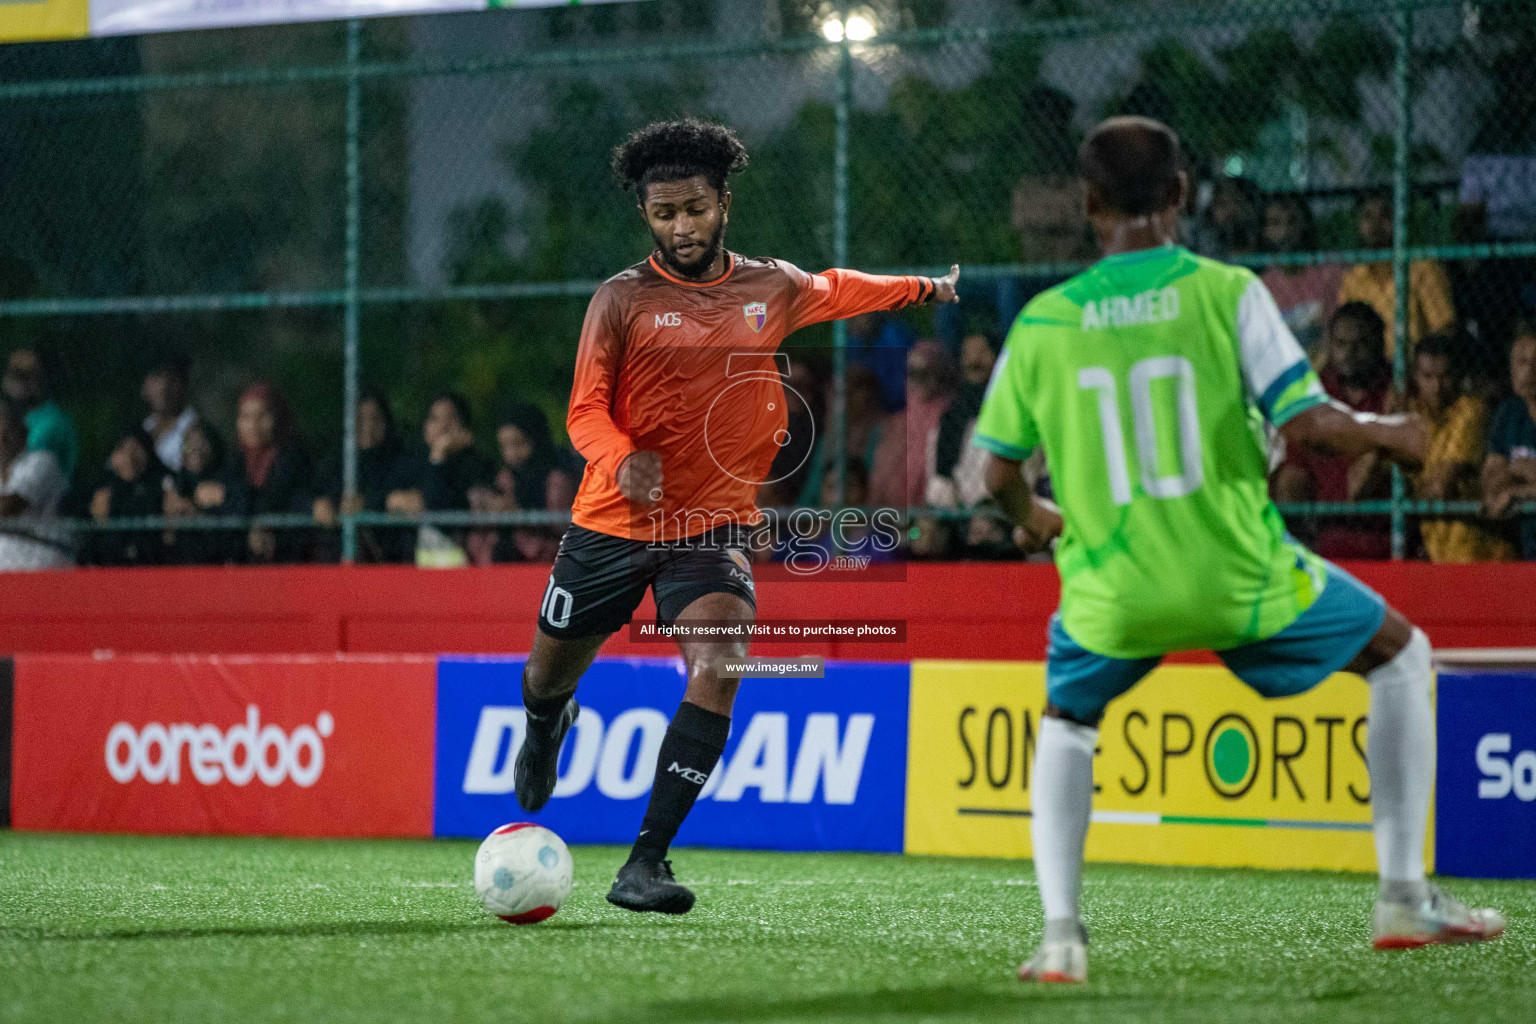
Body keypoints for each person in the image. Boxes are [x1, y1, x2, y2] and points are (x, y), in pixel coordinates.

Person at [973, 115, 1502, 984]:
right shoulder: (1227, 291)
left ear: (1088, 203)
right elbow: (1308, 425)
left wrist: (1035, 520)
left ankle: (1062, 937)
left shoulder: (1042, 322)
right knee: (1403, 657)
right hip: (1240, 576)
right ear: (1183, 194)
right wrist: (1397, 432)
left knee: (1068, 724)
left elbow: (993, 472)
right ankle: (1403, 894)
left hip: (1115, 592)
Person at [513, 118, 958, 916]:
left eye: (693, 208)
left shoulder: (768, 287)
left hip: (711, 527)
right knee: (546, 675)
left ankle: (644, 862)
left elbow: (837, 287)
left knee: (721, 667)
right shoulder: (621, 299)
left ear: (724, 201)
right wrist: (622, 458)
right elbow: (583, 413)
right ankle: (546, 722)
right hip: (611, 525)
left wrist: (924, 287)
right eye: (662, 215)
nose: (680, 227)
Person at [1272, 303, 1396, 560]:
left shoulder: (1395, 390)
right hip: (1328, 539)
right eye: (1341, 344)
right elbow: (1295, 471)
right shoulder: (1317, 393)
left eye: (1359, 345)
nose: (1348, 354)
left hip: (1385, 538)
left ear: (1379, 345)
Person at [1408, 333, 1514, 563]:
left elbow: (1441, 487)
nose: (1437, 387)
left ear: (1460, 376)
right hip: (1441, 557)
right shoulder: (1416, 417)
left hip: (1481, 556)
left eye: (1445, 377)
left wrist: (1407, 497)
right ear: (1415, 377)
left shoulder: (1470, 412)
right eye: (1427, 377)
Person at [202, 382, 313, 564]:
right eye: (246, 417)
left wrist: (228, 496)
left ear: (277, 417)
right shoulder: (232, 459)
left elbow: (277, 499)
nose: (253, 425)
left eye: (262, 416)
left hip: (288, 561)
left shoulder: (294, 457)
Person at [1338, 190, 1455, 361]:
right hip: (1368, 371)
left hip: (1415, 370)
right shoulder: (1354, 277)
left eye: (1385, 215)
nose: (1375, 225)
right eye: (1367, 217)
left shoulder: (1423, 268)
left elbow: (1444, 328)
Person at [385, 392, 495, 567]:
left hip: (467, 570)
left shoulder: (478, 466)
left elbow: (438, 505)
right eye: (436, 419)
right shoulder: (410, 464)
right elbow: (385, 499)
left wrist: (439, 456)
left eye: (451, 418)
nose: (443, 427)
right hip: (412, 571)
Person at [466, 401, 577, 563]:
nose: (511, 454)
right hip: (502, 569)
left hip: (544, 567)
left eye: (518, 444)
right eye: (504, 446)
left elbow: (563, 530)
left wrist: (518, 514)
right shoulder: (506, 478)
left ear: (536, 439)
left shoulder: (557, 480)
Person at [313, 389, 411, 563]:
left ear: (386, 422)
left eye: (375, 418)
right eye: (360, 419)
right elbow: (314, 492)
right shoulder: (338, 463)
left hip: (388, 558)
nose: (368, 425)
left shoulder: (401, 459)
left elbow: (400, 496)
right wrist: (322, 504)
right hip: (339, 561)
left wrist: (368, 504)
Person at [1259, 193, 1345, 362]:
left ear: (1304, 225)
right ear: (1265, 231)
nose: (1285, 231)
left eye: (1292, 221)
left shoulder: (1329, 274)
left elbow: (1334, 336)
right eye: (1276, 223)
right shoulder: (1261, 286)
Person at [1482, 328, 1536, 559]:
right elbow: (1492, 476)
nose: (1528, 371)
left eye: (1535, 362)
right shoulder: (1510, 413)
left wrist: (1520, 492)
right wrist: (1514, 472)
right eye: (1521, 362)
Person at [0, 396, 71, 571]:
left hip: (42, 566)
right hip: (7, 568)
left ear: (23, 432)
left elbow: (9, 507)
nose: (2, 437)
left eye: (7, 430)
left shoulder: (43, 461)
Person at [85, 425, 169, 566]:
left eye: (137, 450)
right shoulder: (101, 486)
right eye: (123, 450)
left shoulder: (162, 483)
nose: (130, 458)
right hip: (106, 568)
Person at [3, 347, 78, 483]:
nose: (17, 380)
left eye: (25, 375)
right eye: (13, 372)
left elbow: (21, 467)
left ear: (42, 377)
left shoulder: (53, 422)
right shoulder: (18, 415)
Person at [162, 418, 227, 565]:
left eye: (202, 444)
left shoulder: (227, 481)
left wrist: (198, 514)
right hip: (178, 566)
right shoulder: (174, 483)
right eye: (188, 445)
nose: (195, 450)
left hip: (216, 564)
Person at [141, 352, 200, 472]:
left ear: (185, 386)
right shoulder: (143, 428)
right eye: (157, 378)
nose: (163, 387)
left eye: (172, 380)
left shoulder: (196, 430)